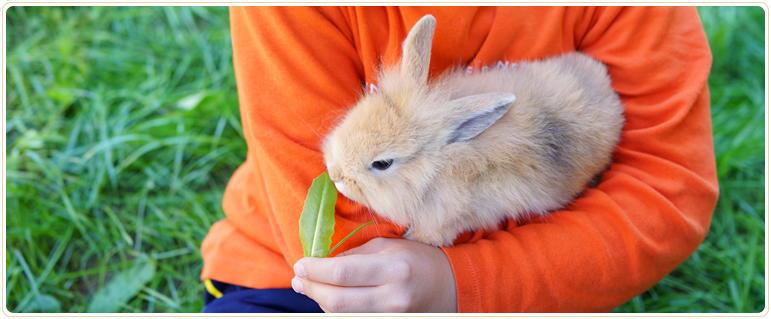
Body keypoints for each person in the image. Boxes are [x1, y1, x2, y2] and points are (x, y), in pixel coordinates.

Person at [200, 6, 718, 313]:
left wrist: (459, 282)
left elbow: (665, 188)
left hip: (533, 286)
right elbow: (332, 238)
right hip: (297, 273)